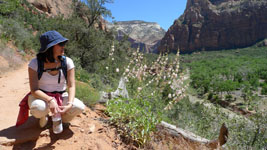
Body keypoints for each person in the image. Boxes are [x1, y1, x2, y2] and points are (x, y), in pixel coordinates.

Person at [16, 30, 85, 130]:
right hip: (41, 97)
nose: (63, 46)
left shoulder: (67, 62)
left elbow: (71, 86)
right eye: (60, 44)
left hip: (61, 95)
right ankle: (43, 116)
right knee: (38, 108)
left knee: (79, 107)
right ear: (50, 48)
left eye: (64, 43)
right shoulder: (35, 64)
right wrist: (50, 100)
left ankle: (62, 119)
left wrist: (69, 104)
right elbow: (34, 90)